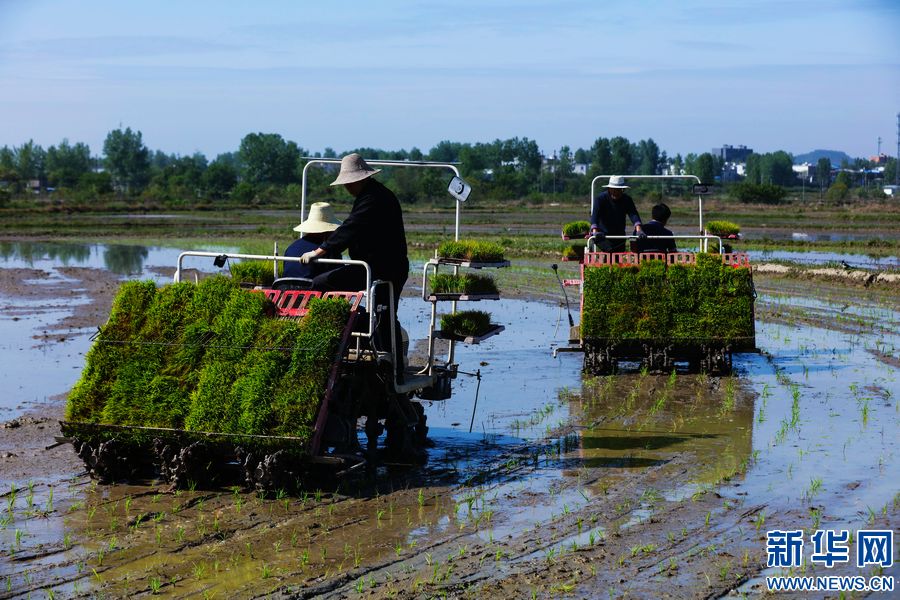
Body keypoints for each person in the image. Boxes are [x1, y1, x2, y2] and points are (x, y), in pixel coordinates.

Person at [300, 153, 409, 310]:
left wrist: (318, 251)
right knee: (384, 317)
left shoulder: (373, 198)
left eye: (350, 182)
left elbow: (351, 227)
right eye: (346, 183)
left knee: (321, 283)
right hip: (378, 265)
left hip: (383, 268)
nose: (347, 186)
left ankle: (332, 321)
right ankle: (345, 323)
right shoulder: (372, 194)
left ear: (362, 178)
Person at [282, 202, 342, 279]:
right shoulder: (328, 251)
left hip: (287, 289)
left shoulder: (291, 248)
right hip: (313, 289)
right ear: (328, 231)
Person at [589, 175, 644, 252]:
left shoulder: (627, 200)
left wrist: (639, 230)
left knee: (618, 258)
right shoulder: (601, 199)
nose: (616, 192)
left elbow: (633, 214)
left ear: (623, 190)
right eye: (614, 190)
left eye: (619, 190)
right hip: (602, 235)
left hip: (619, 234)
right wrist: (595, 231)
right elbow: (595, 216)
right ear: (609, 189)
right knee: (609, 253)